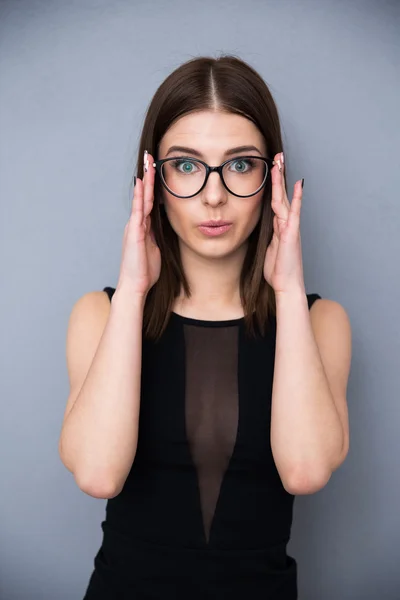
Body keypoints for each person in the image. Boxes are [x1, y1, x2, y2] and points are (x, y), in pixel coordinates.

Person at [59, 55, 351, 599]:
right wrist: (133, 289)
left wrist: (287, 291)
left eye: (240, 164)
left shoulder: (318, 320)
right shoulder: (100, 313)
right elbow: (98, 475)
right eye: (187, 166)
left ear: (271, 176)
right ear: (154, 179)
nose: (214, 196)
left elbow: (305, 471)